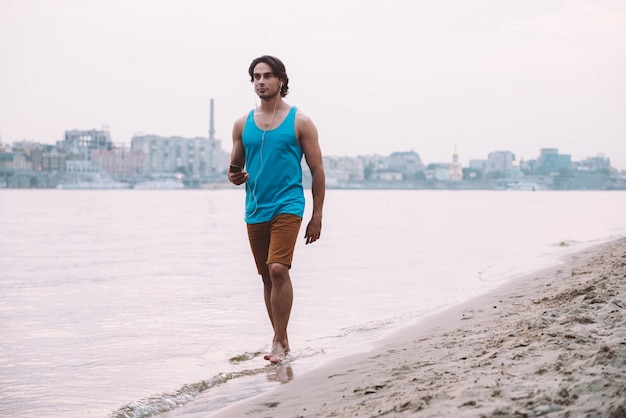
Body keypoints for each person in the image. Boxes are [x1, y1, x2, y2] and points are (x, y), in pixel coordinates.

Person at [228, 55, 325, 363]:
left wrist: (317, 215)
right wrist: (234, 176)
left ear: (282, 80)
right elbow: (234, 170)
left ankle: (277, 341)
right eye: (256, 76)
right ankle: (281, 340)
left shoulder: (301, 122)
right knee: (267, 278)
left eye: (268, 76)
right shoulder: (242, 124)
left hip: (289, 204)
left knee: (278, 268)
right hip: (255, 207)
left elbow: (317, 170)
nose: (261, 81)